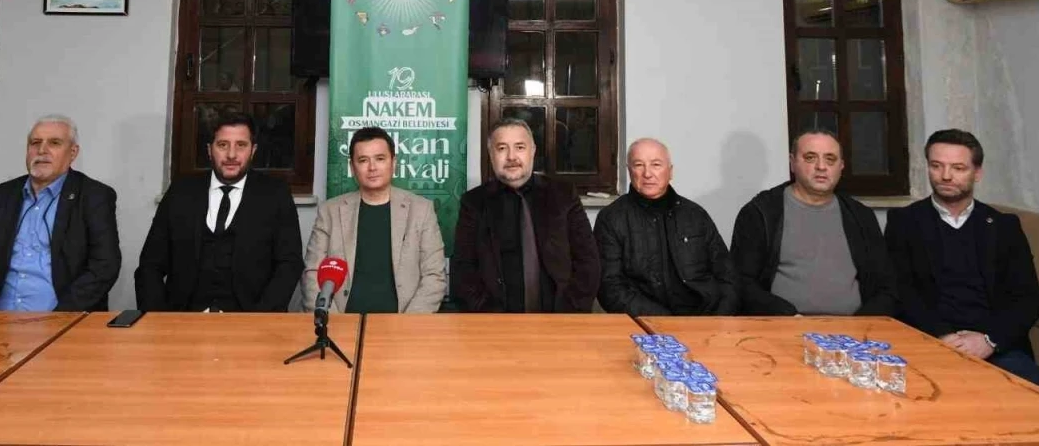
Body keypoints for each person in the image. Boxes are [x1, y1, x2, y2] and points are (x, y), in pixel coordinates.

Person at [886, 129, 1039, 393]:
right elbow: (901, 291)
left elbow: (1027, 299)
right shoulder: (904, 222)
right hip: (929, 341)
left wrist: (989, 340)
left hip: (997, 347)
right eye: (936, 166)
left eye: (958, 168)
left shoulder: (1004, 226)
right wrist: (942, 336)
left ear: (977, 173)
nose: (946, 176)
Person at [0, 115, 120, 311]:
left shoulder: (93, 196)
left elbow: (104, 266)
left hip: (62, 319)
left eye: (54, 143)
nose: (42, 150)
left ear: (73, 152)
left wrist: (60, 319)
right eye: (35, 143)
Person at [135, 113, 303, 312]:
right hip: (184, 318)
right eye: (223, 145)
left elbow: (289, 264)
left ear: (253, 151)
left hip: (251, 318)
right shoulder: (181, 192)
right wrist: (157, 319)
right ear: (209, 150)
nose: (231, 155)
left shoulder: (275, 195)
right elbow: (150, 265)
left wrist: (260, 320)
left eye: (241, 145)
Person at [731, 129, 895, 316]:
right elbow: (741, 282)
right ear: (792, 163)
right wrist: (786, 315)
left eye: (830, 159)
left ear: (841, 166)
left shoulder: (861, 216)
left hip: (853, 328)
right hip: (784, 325)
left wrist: (862, 323)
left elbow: (886, 287)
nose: (821, 167)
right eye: (810, 158)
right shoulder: (761, 213)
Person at [451, 118, 600, 312]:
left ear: (533, 151)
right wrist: (491, 319)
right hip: (494, 320)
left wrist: (567, 315)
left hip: (561, 318)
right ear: (491, 154)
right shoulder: (473, 203)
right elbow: (463, 271)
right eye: (502, 148)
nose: (511, 156)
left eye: (520, 147)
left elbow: (588, 263)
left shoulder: (563, 195)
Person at [301, 127, 446, 313]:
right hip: (341, 320)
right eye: (363, 160)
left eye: (380, 158)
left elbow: (434, 276)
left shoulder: (421, 210)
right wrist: (334, 322)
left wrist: (407, 324)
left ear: (394, 162)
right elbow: (312, 273)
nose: (372, 168)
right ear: (352, 167)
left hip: (403, 321)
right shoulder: (330, 211)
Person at [595, 138, 737, 316]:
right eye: (639, 165)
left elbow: (727, 276)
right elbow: (610, 288)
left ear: (670, 171)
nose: (647, 173)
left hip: (706, 318)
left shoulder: (695, 215)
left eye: (656, 164)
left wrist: (720, 318)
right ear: (629, 171)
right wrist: (666, 322)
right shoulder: (611, 218)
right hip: (645, 322)